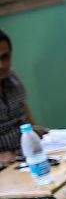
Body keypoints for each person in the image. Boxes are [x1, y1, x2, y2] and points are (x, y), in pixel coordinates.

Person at [0, 29, 38, 167]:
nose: (1, 65)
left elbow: (22, 107)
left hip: (25, 156)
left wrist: (35, 130)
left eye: (5, 57)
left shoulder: (12, 78)